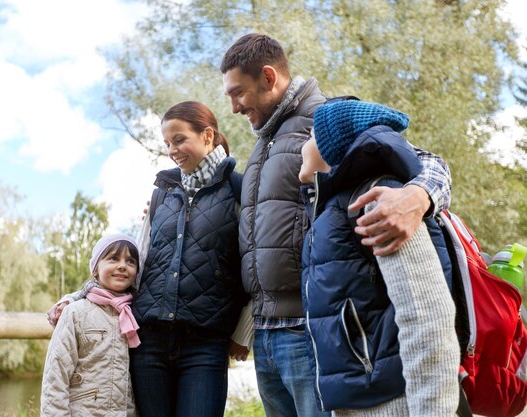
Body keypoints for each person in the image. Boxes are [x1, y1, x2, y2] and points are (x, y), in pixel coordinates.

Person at [219, 33, 453, 417]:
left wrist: (419, 196)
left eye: (238, 93)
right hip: (265, 335)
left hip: (312, 333)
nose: (232, 107)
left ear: (267, 77)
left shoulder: (326, 120)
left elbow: (423, 161)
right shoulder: (261, 145)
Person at [48, 101, 252, 417]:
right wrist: (78, 296)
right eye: (167, 143)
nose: (172, 150)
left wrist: (243, 332)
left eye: (179, 139)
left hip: (205, 343)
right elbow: (137, 263)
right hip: (150, 343)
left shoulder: (240, 190)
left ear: (207, 135)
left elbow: (256, 265)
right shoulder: (162, 195)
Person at [298, 99, 460, 415]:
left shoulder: (378, 200)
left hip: (392, 402)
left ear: (332, 142)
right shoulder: (340, 206)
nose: (303, 145)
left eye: (310, 135)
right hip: (363, 398)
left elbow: (428, 314)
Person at [41, 234, 140, 417]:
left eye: (131, 261)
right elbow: (56, 376)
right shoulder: (75, 313)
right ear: (95, 269)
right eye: (113, 258)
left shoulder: (136, 314)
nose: (122, 265)